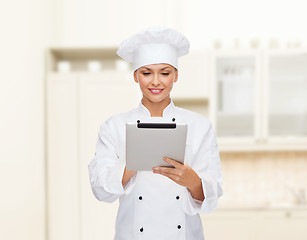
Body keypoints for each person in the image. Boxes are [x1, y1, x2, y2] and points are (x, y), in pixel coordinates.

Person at [88, 26, 223, 240]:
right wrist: (132, 166)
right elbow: (100, 189)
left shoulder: (200, 126)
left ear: (176, 76)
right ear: (135, 76)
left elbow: (212, 195)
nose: (156, 81)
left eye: (165, 73)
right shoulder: (113, 126)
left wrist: (193, 181)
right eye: (146, 73)